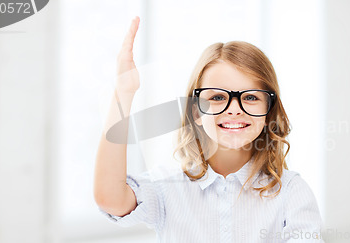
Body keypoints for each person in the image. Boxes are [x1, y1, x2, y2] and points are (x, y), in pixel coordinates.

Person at [94, 16, 324, 242]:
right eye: (218, 97)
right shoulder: (167, 186)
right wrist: (123, 92)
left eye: (251, 97)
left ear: (268, 112)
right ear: (196, 112)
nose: (234, 109)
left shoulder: (292, 192)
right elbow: (110, 198)